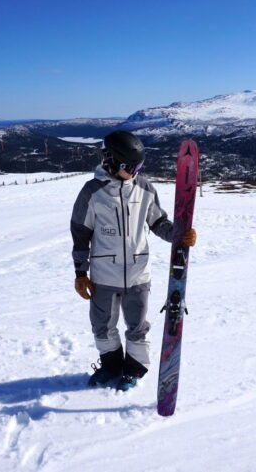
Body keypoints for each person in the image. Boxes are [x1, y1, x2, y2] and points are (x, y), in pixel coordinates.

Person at [70, 130, 196, 391]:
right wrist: (81, 274)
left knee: (137, 327)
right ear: (111, 162)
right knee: (102, 326)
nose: (136, 172)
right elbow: (80, 235)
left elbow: (158, 222)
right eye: (131, 167)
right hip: (104, 275)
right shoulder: (92, 193)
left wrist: (179, 235)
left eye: (140, 167)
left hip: (138, 274)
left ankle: (134, 369)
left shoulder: (144, 188)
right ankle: (111, 366)